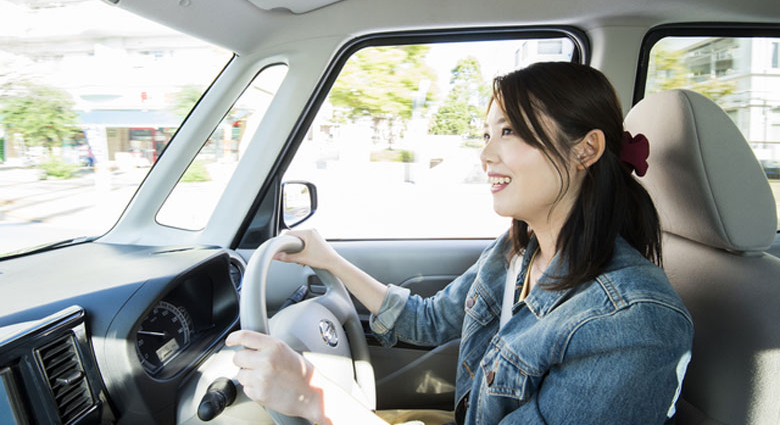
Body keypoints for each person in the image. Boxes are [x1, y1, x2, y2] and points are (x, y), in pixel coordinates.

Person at [226, 62, 694, 424]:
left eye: (508, 131)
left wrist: (312, 396)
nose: (485, 153)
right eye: (486, 134)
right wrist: (329, 260)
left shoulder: (632, 321)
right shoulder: (515, 252)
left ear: (584, 150)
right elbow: (426, 321)